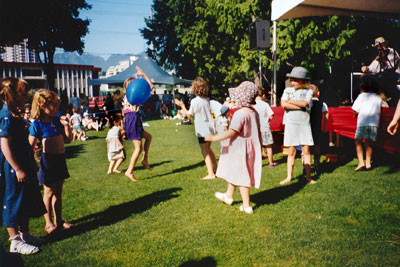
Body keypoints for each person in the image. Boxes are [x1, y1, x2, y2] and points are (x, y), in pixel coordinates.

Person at [0, 78, 46, 254]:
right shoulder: (5, 116)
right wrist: (17, 169)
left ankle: (25, 234)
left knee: (26, 197)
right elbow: (4, 145)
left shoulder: (15, 114)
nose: (26, 97)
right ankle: (15, 240)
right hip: (13, 168)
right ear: (13, 94)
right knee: (13, 199)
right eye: (23, 93)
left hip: (24, 164)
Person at [205, 81, 261, 214]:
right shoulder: (254, 113)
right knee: (237, 172)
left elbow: (232, 132)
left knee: (242, 176)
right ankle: (229, 196)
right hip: (250, 148)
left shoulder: (240, 114)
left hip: (239, 149)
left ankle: (246, 205)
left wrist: (214, 138)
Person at [29, 89, 75, 234]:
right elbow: (29, 144)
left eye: (57, 105)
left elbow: (68, 139)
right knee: (48, 192)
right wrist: (31, 161)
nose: (56, 108)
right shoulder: (37, 124)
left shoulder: (56, 121)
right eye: (53, 105)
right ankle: (48, 223)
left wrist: (67, 126)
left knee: (58, 192)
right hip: (48, 161)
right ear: (42, 106)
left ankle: (59, 221)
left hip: (60, 160)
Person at [175, 77, 217, 180]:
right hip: (210, 128)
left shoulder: (194, 101)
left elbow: (189, 115)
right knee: (208, 149)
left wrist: (182, 105)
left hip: (202, 130)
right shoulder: (207, 100)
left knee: (205, 151)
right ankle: (216, 167)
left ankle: (211, 173)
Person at [279, 67, 316, 185]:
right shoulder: (287, 91)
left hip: (304, 123)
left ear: (302, 81)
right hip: (290, 123)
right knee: (291, 151)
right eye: (291, 80)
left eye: (295, 80)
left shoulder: (309, 91)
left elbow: (305, 103)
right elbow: (283, 105)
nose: (292, 82)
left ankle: (308, 176)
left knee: (306, 149)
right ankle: (289, 176)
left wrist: (291, 102)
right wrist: (300, 106)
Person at [122, 66, 154, 182]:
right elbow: (150, 86)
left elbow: (150, 87)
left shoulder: (129, 96)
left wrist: (142, 74)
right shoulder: (130, 97)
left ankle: (145, 159)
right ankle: (129, 171)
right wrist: (143, 74)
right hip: (132, 118)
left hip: (133, 118)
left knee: (149, 137)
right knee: (138, 148)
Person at [352, 75, 383, 171]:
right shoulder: (378, 97)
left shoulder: (361, 96)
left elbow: (355, 110)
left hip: (362, 123)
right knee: (369, 143)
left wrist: (355, 114)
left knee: (358, 142)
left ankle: (361, 162)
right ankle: (368, 162)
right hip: (374, 124)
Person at [361, 37, 400, 106]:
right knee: (365, 78)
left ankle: (384, 98)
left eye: (379, 46)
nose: (378, 48)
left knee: (382, 76)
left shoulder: (392, 52)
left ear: (384, 44)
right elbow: (372, 67)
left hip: (393, 76)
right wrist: (366, 68)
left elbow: (391, 67)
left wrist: (383, 59)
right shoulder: (379, 55)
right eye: (377, 47)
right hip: (382, 77)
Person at [253, 87, 277, 168]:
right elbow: (271, 116)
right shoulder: (265, 104)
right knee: (269, 147)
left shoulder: (252, 104)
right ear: (263, 95)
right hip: (265, 127)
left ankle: (258, 163)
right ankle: (271, 163)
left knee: (257, 146)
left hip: (255, 128)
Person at [309, 84, 329, 173]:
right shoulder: (322, 104)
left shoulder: (306, 103)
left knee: (306, 148)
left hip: (307, 128)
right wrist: (324, 127)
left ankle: (305, 166)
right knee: (317, 147)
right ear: (318, 93)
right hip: (317, 128)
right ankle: (317, 165)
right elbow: (326, 115)